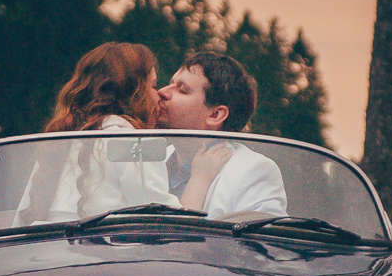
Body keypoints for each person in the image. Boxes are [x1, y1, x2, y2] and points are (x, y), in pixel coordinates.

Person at [17, 42, 167, 223]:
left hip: (47, 242)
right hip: (106, 242)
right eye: (153, 86)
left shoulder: (57, 142)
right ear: (135, 92)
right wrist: (197, 178)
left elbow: (21, 220)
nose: (159, 95)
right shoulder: (132, 141)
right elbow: (162, 218)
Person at [154, 51, 288, 219]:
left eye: (182, 90)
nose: (162, 92)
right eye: (170, 84)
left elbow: (264, 235)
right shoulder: (153, 161)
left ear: (215, 115)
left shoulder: (254, 171)